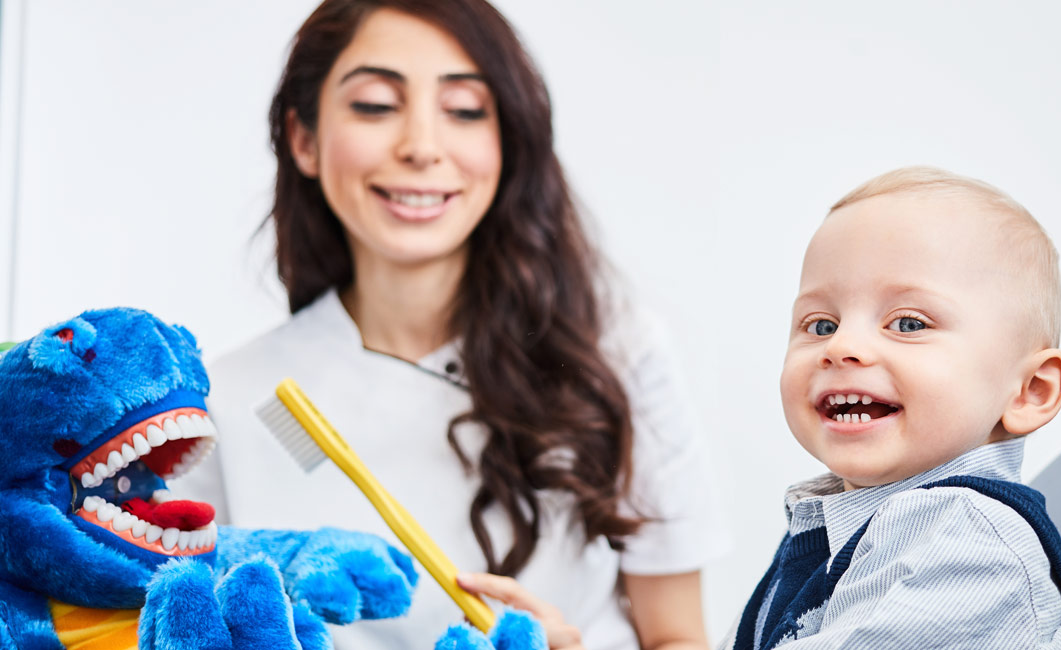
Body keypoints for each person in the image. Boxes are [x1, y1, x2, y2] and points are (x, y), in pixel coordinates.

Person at [176, 2, 727, 649]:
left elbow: (679, 638)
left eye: (465, 110)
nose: (421, 147)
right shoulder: (226, 399)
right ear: (303, 139)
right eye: (376, 105)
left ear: (508, 140)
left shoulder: (618, 355)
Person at [721, 167, 1061, 649]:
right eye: (820, 325)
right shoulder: (843, 527)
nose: (841, 346)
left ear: (1030, 391)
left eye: (910, 323)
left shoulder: (968, 543)